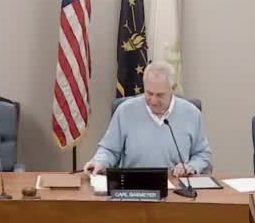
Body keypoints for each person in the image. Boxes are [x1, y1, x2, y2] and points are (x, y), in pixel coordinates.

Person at [83, 61, 211, 177]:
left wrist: (191, 167)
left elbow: (202, 154)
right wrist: (99, 162)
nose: (153, 101)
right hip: (133, 186)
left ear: (173, 88)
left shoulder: (192, 114)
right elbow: (109, 150)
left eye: (160, 95)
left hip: (176, 186)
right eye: (149, 93)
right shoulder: (125, 111)